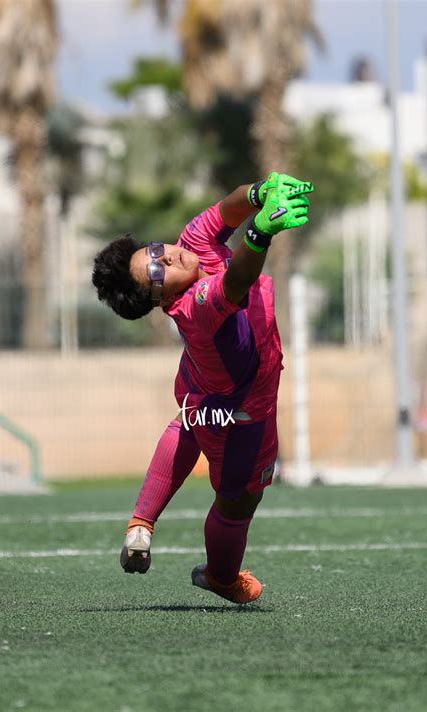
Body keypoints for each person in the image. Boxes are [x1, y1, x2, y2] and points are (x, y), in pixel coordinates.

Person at [92, 171, 314, 604]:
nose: (167, 258)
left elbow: (225, 210)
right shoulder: (193, 308)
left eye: (155, 251)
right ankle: (221, 577)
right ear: (158, 300)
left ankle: (142, 522)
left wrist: (258, 193)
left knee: (189, 421)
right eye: (156, 272)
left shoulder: (190, 242)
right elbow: (237, 282)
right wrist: (259, 231)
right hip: (239, 416)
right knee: (238, 502)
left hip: (203, 385)